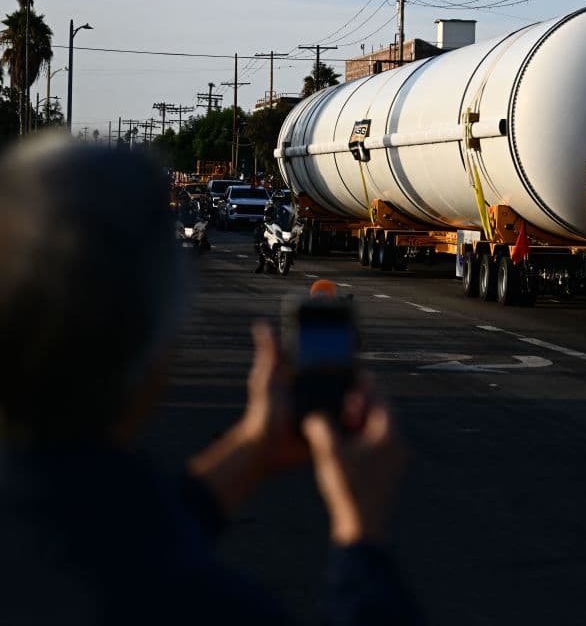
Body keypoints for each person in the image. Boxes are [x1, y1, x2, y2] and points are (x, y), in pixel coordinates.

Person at [0, 136, 420, 625]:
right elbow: (119, 551)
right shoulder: (201, 604)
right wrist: (362, 534)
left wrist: (249, 451)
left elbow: (98, 526)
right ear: (158, 352)